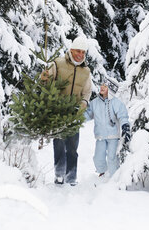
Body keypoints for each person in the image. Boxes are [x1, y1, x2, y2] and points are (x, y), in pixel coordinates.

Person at [41, 35, 92, 186]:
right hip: (58, 110)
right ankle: (59, 174)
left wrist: (83, 103)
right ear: (71, 50)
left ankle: (71, 177)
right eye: (78, 51)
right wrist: (43, 79)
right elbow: (46, 82)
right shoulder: (58, 63)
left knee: (72, 146)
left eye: (83, 52)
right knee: (59, 143)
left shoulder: (86, 71)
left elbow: (87, 91)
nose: (80, 55)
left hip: (74, 113)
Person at [84, 79, 130, 177]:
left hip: (113, 135)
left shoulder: (116, 102)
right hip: (100, 135)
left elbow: (122, 115)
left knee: (112, 157)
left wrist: (125, 126)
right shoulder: (94, 103)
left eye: (105, 86)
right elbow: (88, 114)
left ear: (110, 89)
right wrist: (78, 118)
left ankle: (114, 177)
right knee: (98, 157)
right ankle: (102, 173)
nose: (102, 87)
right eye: (102, 85)